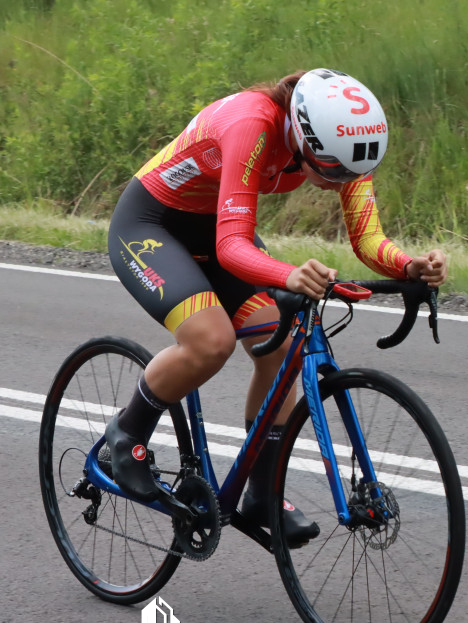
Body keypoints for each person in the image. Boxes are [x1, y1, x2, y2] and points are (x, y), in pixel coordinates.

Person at [104, 68, 447, 544]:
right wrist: (289, 274)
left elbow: (367, 238)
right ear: (302, 138)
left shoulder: (341, 143)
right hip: (152, 226)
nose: (338, 184)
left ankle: (261, 492)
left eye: (350, 174)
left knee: (281, 344)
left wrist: (408, 266)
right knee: (211, 342)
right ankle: (125, 435)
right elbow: (232, 247)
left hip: (215, 226)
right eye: (330, 172)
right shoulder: (254, 125)